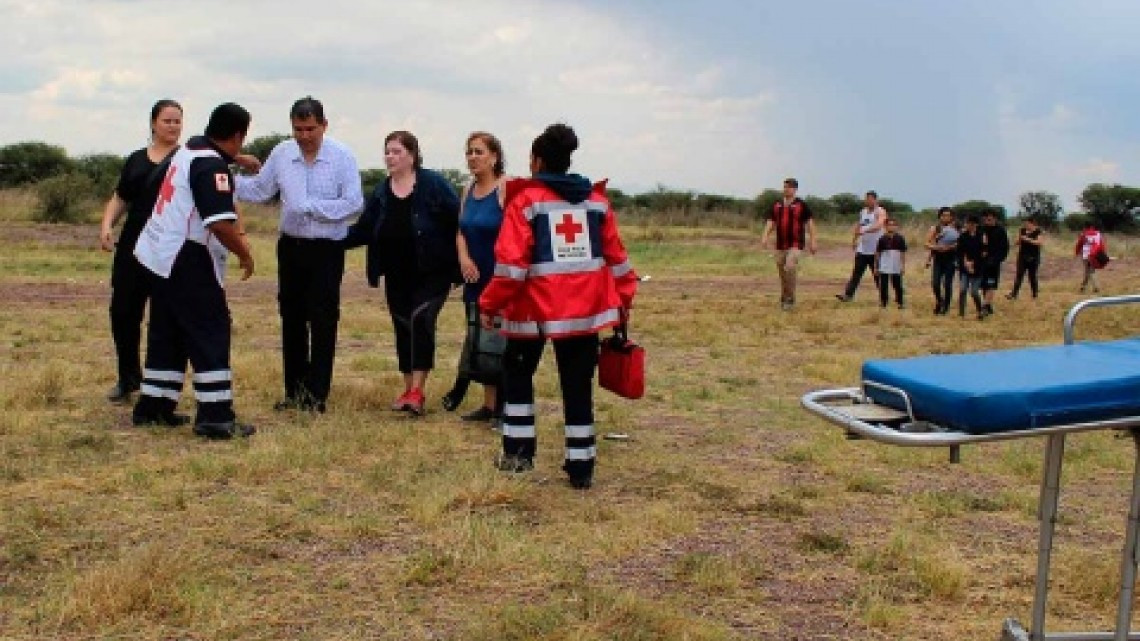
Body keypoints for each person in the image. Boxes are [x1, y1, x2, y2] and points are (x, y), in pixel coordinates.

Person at [479, 123, 638, 490]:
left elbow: (511, 267)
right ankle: (581, 468)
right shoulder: (597, 203)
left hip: (530, 312)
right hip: (583, 314)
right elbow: (619, 262)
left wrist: (490, 304)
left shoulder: (527, 201)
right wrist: (622, 304)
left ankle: (518, 457)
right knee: (577, 385)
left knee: (517, 379)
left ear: (536, 161)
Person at [131, 102, 256, 439]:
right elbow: (220, 225)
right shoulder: (210, 166)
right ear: (238, 135)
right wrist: (245, 254)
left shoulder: (189, 150)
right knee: (210, 329)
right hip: (186, 256)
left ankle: (154, 406)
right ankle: (216, 415)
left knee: (167, 330)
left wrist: (237, 159)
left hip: (157, 254)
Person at [234, 97, 363, 413]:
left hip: (326, 249)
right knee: (291, 318)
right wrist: (222, 179)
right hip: (291, 247)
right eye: (298, 129)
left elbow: (353, 204)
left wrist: (311, 208)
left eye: (310, 129)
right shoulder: (281, 153)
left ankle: (317, 395)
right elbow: (260, 190)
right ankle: (294, 391)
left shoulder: (342, 157)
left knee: (322, 319)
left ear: (324, 125)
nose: (304, 136)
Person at [344, 131, 460, 416]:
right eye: (387, 151)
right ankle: (408, 388)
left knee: (421, 320)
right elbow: (364, 229)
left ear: (412, 155)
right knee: (402, 326)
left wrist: (466, 257)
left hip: (432, 271)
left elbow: (459, 220)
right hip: (396, 272)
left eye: (396, 151)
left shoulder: (433, 184)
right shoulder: (382, 191)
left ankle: (418, 390)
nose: (390, 157)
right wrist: (329, 242)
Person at [98, 99, 184, 403]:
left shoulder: (186, 159)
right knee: (123, 311)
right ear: (153, 124)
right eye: (167, 121)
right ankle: (128, 377)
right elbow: (120, 197)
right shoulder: (135, 160)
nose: (173, 126)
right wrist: (107, 224)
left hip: (169, 246)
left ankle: (160, 382)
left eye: (177, 121)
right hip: (133, 244)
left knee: (165, 316)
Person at [441, 132, 508, 421]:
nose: (472, 157)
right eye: (469, 152)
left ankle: (504, 407)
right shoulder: (468, 190)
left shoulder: (506, 188)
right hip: (473, 277)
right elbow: (460, 231)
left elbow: (513, 233)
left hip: (499, 276)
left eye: (479, 152)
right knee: (477, 339)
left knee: (499, 343)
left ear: (494, 156)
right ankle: (489, 404)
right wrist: (464, 258)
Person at [759, 177, 816, 311]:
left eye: (789, 187)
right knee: (782, 272)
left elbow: (810, 223)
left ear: (795, 189)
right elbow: (771, 221)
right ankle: (785, 297)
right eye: (784, 187)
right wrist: (765, 236)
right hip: (780, 244)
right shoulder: (777, 204)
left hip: (796, 244)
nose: (786, 189)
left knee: (790, 267)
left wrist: (813, 241)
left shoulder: (801, 205)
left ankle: (790, 299)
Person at [836, 190, 887, 302]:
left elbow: (879, 225)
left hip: (876, 250)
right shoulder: (863, 212)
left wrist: (866, 230)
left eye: (870, 199)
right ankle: (848, 295)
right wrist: (854, 239)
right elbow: (859, 226)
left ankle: (884, 298)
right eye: (866, 199)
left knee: (877, 275)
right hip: (863, 249)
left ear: (875, 199)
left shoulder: (880, 211)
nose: (868, 201)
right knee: (856, 274)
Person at [924, 206, 958, 315]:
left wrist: (951, 247)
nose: (946, 218)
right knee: (935, 283)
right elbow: (927, 243)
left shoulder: (957, 228)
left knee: (947, 284)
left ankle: (946, 307)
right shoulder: (935, 228)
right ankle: (940, 301)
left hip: (951, 258)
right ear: (940, 216)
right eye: (943, 215)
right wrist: (936, 248)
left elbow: (962, 242)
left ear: (952, 217)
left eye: (948, 215)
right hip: (938, 258)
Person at [979, 210, 1010, 316]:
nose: (988, 220)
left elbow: (1005, 247)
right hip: (982, 262)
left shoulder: (1001, 230)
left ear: (995, 218)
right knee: (983, 285)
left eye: (990, 218)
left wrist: (998, 259)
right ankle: (988, 305)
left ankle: (984, 306)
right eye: (986, 218)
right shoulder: (981, 230)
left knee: (991, 284)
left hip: (994, 262)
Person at [1006, 217, 1044, 300]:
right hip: (1022, 256)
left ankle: (1034, 294)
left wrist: (1028, 239)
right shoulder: (1022, 230)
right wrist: (1015, 242)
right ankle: (1014, 294)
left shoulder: (1038, 231)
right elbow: (1019, 241)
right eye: (1024, 223)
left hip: (1033, 257)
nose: (1025, 225)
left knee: (1032, 276)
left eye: (1027, 223)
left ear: (1032, 223)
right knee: (1019, 275)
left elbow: (1039, 243)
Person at [956, 215, 985, 319]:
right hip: (965, 267)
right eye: (967, 223)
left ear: (975, 224)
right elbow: (960, 252)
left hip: (978, 267)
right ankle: (961, 313)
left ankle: (980, 310)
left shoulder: (982, 236)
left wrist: (973, 264)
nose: (968, 225)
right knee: (963, 289)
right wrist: (965, 263)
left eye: (971, 223)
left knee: (974, 292)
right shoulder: (963, 236)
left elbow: (983, 253)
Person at [874, 218, 907, 308]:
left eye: (893, 225)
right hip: (884, 265)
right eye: (889, 225)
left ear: (897, 227)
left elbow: (903, 253)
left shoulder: (900, 238)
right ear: (885, 226)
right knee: (883, 285)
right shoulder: (882, 239)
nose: (891, 227)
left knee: (897, 285)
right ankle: (883, 303)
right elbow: (878, 253)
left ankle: (900, 302)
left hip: (896, 265)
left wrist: (903, 266)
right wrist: (876, 267)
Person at [1075, 223, 1108, 293]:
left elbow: (1079, 244)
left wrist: (1077, 253)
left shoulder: (1083, 235)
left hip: (1085, 255)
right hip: (1094, 254)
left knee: (1089, 271)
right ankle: (1085, 287)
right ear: (1092, 227)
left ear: (1086, 227)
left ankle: (1089, 287)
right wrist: (1102, 254)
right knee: (1090, 271)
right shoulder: (1098, 234)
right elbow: (1101, 245)